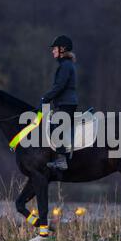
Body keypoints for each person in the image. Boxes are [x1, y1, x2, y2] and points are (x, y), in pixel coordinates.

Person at [40, 35, 78, 170]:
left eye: (54, 48)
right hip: (66, 102)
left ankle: (61, 160)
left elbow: (60, 86)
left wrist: (46, 98)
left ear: (62, 49)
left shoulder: (66, 66)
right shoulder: (66, 65)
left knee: (57, 128)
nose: (52, 51)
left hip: (66, 103)